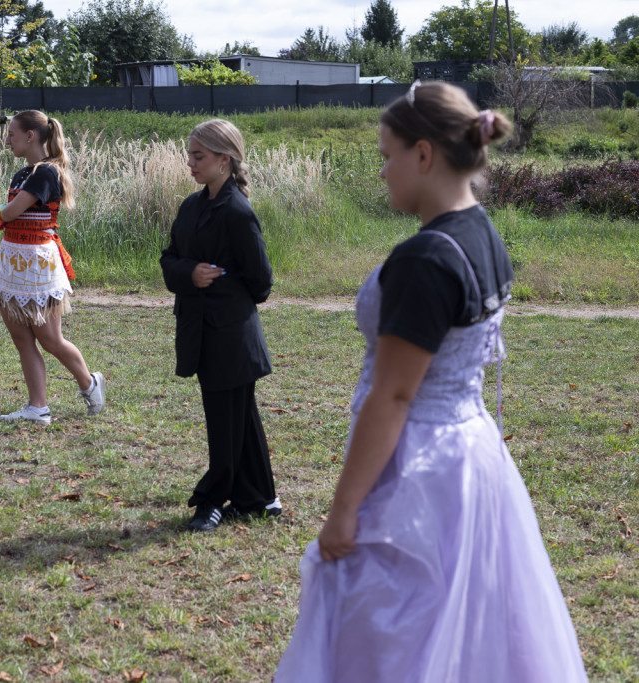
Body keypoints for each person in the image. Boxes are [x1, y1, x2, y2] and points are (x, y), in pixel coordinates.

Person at [275, 82, 588, 681]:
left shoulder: (426, 258)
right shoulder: (482, 232)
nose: (383, 171)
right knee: (466, 623)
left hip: (418, 465)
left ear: (424, 154)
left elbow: (394, 396)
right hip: (471, 454)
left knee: (394, 632)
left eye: (387, 154)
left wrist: (344, 512)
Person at [160, 118, 281, 533]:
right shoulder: (191, 207)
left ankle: (212, 500)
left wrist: (225, 292)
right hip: (201, 330)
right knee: (239, 418)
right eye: (190, 155)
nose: (190, 163)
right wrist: (189, 272)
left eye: (199, 156)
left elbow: (261, 281)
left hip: (231, 334)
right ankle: (260, 499)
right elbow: (169, 258)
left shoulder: (237, 212)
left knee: (224, 420)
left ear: (224, 161)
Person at [0, 110, 104, 425]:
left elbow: (10, 214)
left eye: (12, 133)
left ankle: (90, 383)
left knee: (50, 339)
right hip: (14, 266)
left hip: (39, 268)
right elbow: (9, 216)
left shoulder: (46, 173)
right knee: (21, 338)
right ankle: (37, 408)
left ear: (30, 136)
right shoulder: (22, 174)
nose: (7, 139)